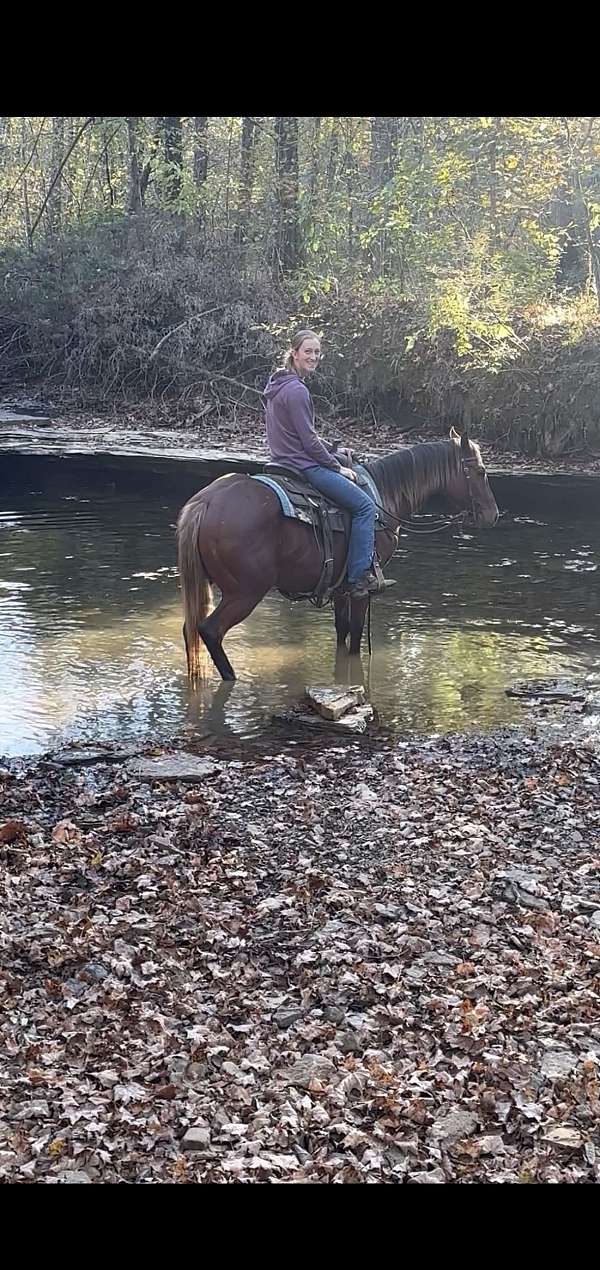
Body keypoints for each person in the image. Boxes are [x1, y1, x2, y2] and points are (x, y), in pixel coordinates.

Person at [263, 329, 391, 598]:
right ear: (294, 353)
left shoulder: (277, 385)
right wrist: (337, 467)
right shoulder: (297, 391)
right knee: (365, 507)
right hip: (304, 467)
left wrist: (334, 452)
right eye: (308, 351)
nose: (313, 357)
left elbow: (301, 436)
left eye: (317, 352)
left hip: (281, 461)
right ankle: (358, 578)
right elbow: (308, 442)